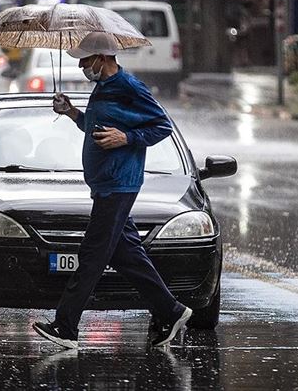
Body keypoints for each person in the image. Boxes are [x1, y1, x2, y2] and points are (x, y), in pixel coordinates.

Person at [32, 32, 192, 349]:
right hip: (106, 182)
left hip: (120, 183)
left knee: (91, 255)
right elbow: (95, 127)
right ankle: (170, 311)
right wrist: (72, 113)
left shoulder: (128, 86)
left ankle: (66, 326)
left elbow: (162, 125)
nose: (81, 67)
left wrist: (127, 138)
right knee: (127, 254)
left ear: (103, 59)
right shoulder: (102, 89)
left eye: (85, 60)